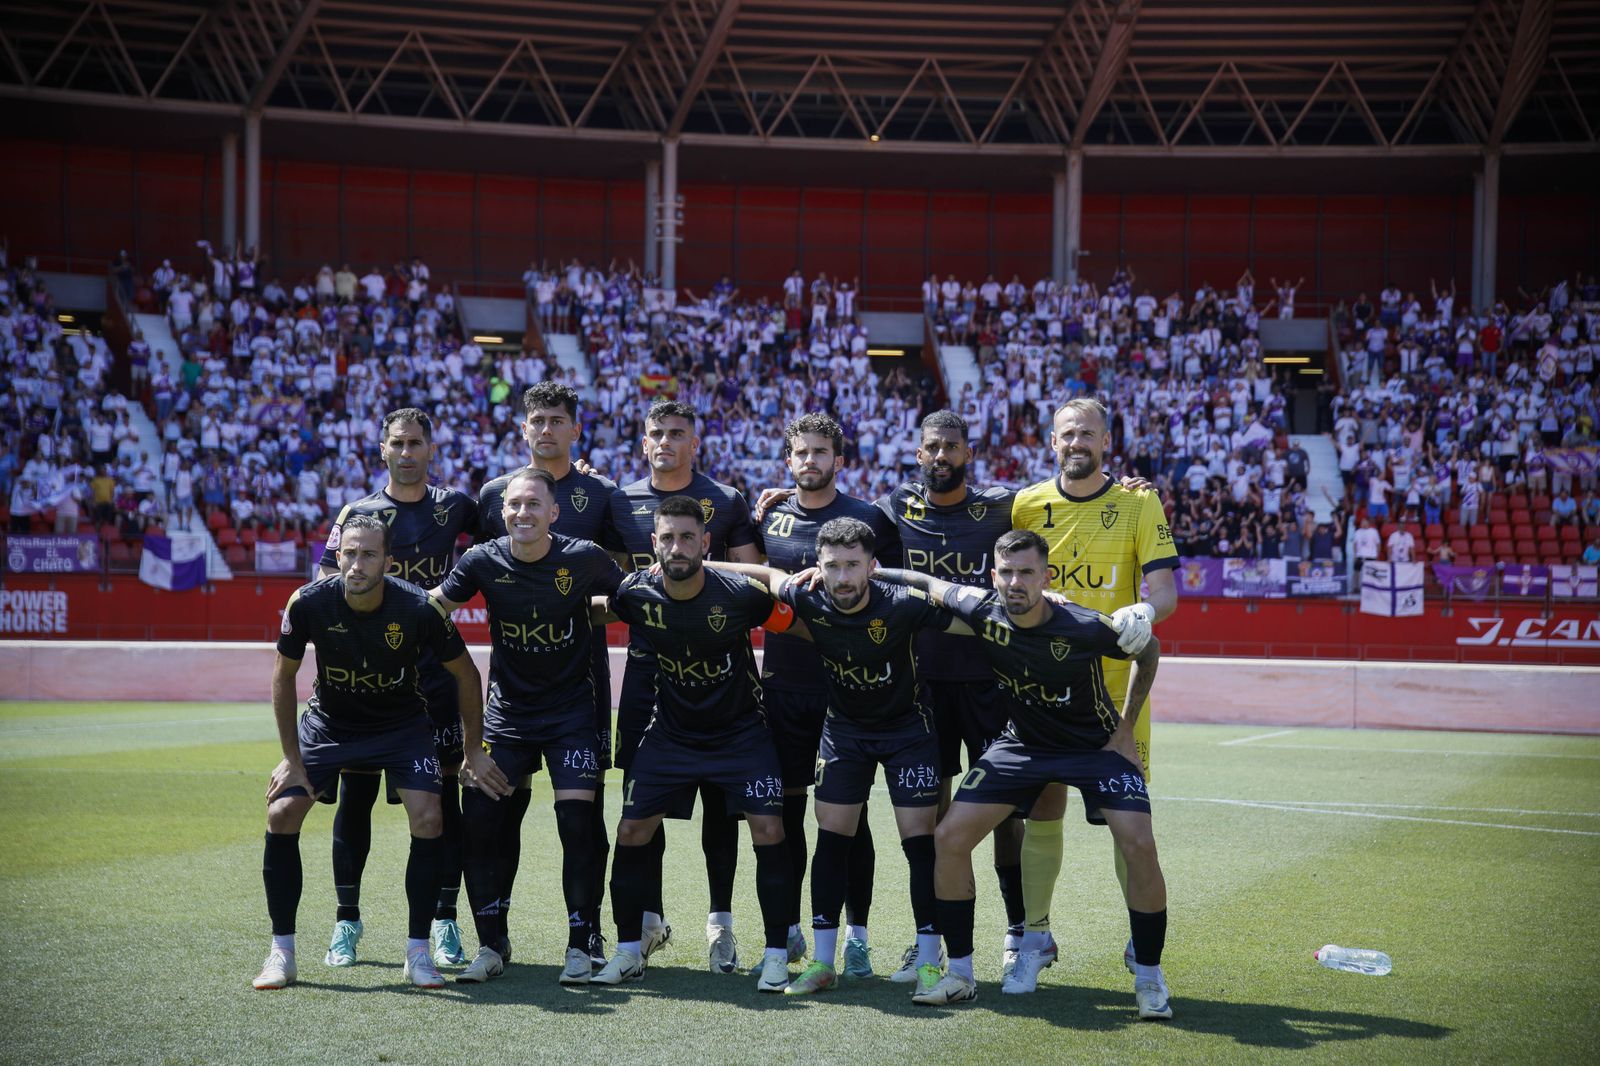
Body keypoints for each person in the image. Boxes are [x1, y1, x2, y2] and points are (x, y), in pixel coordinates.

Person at [873, 530, 1170, 1018]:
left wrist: (1125, 729)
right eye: (1007, 572)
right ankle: (961, 976)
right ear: (994, 576)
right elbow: (925, 581)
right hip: (1022, 746)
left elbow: (1148, 650)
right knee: (948, 837)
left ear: (1046, 577)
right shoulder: (983, 608)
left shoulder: (1084, 625)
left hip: (1093, 747)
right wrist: (872, 571)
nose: (1016, 583)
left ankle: (1150, 979)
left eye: (1027, 573)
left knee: (1138, 842)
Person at [253, 514, 508, 991]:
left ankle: (418, 952)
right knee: (282, 813)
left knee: (429, 817)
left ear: (388, 563)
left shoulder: (417, 608)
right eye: (349, 553)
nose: (356, 564)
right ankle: (281, 953)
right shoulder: (308, 602)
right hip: (331, 723)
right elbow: (283, 675)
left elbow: (467, 674)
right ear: (338, 556)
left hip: (401, 725)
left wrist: (473, 749)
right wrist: (291, 755)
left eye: (369, 554)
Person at [712, 517, 955, 997]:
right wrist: (694, 562)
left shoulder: (904, 604)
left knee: (919, 844)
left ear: (871, 566)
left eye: (852, 566)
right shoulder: (809, 597)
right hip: (845, 733)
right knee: (832, 838)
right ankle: (823, 964)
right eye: (832, 567)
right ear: (817, 568)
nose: (842, 578)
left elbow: (973, 610)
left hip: (908, 732)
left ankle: (930, 962)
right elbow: (759, 574)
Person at [590, 495, 798, 993]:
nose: (677, 547)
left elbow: (796, 625)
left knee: (770, 830)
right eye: (668, 537)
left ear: (706, 543)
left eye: (687, 537)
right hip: (672, 733)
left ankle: (774, 955)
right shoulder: (635, 593)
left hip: (741, 734)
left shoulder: (741, 595)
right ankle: (627, 953)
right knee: (631, 832)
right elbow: (593, 611)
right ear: (653, 544)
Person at [1006, 397, 1177, 986]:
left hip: (1117, 697)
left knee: (1126, 822)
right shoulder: (1026, 504)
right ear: (1052, 442)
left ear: (1107, 442)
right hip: (1044, 691)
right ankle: (1034, 935)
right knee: (1044, 805)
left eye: (1088, 434)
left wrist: (1145, 610)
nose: (1077, 442)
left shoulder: (1138, 501)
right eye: (1066, 434)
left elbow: (1166, 592)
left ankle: (1140, 940)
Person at [431, 468, 625, 985]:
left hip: (571, 717)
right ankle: (491, 944)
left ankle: (581, 945)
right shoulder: (481, 560)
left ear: (553, 512)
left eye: (534, 505)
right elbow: (431, 609)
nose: (523, 513)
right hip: (508, 717)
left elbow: (635, 598)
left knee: (578, 827)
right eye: (514, 505)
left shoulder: (583, 557)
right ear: (502, 512)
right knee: (480, 820)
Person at [600, 399, 763, 972]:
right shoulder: (617, 500)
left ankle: (720, 923)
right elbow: (601, 568)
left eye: (677, 433)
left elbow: (751, 576)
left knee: (723, 807)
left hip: (720, 668)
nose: (665, 441)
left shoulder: (727, 500)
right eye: (656, 434)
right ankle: (648, 919)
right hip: (648, 668)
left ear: (696, 442)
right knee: (646, 799)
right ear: (643, 443)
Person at [316, 408, 480, 970]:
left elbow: (511, 538)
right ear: (381, 449)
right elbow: (323, 583)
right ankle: (346, 922)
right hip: (369, 688)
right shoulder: (358, 514)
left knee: (441, 808)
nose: (407, 452)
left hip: (434, 686)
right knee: (355, 801)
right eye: (397, 443)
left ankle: (443, 922)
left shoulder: (456, 505)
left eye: (416, 443)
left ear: (431, 449)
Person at [872, 410, 1023, 977]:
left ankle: (1018, 939)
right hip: (923, 688)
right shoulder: (894, 508)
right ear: (918, 453)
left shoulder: (1001, 507)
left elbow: (1064, 503)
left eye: (951, 447)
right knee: (930, 819)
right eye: (932, 447)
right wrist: (783, 493)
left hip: (992, 684)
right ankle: (930, 941)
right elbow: (830, 516)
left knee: (1007, 817)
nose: (941, 456)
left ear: (968, 452)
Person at [749, 413, 898, 976]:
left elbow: (891, 587)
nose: (810, 461)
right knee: (784, 815)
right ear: (788, 460)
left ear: (840, 459)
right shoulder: (772, 516)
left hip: (849, 690)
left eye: (820, 452)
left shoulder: (867, 517)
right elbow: (751, 578)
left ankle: (856, 934)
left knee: (849, 822)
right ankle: (787, 929)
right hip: (784, 686)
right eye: (801, 453)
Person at [475, 382, 617, 966]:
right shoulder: (492, 493)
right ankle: (487, 937)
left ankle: (591, 935)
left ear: (574, 429)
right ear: (524, 427)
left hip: (579, 682)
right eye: (538, 419)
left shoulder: (601, 493)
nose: (547, 429)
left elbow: (631, 569)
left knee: (580, 815)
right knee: (496, 811)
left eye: (558, 419)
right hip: (510, 689)